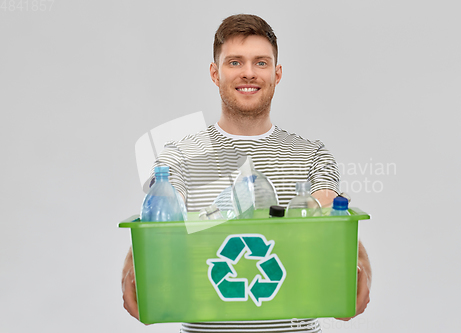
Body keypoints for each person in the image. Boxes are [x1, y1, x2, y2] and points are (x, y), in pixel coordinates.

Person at [122, 14, 371, 332]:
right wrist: (131, 265)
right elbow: (160, 219)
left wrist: (361, 263)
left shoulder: (311, 154)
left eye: (261, 63)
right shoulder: (180, 155)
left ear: (277, 74)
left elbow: (331, 212)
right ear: (215, 73)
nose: (249, 73)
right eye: (235, 62)